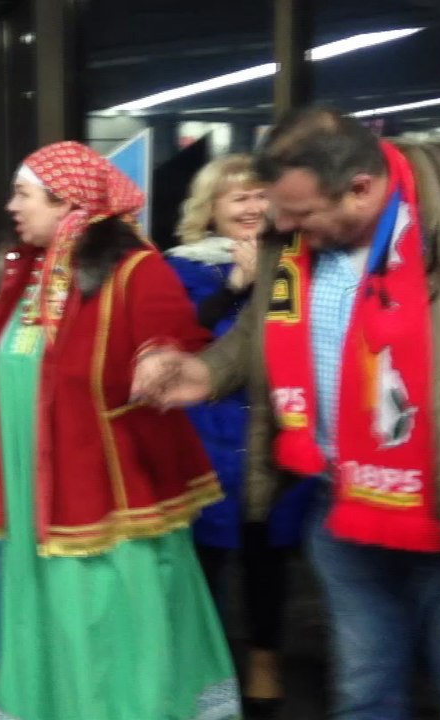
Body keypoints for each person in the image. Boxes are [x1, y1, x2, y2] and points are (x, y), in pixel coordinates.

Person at [133, 106, 440, 719]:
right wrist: (205, 372)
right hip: (342, 504)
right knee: (363, 690)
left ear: (360, 189)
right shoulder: (293, 229)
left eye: (300, 216)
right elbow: (261, 326)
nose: (283, 227)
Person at [0, 141, 239, 720]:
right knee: (53, 617)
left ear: (65, 199)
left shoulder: (134, 268)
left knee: (111, 622)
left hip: (108, 495)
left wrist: (158, 358)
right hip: (38, 495)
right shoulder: (28, 275)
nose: (10, 206)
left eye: (22, 194)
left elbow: (175, 337)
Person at [165, 154, 316, 713]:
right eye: (238, 199)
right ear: (211, 210)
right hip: (202, 435)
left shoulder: (302, 260)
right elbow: (182, 337)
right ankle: (202, 666)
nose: (253, 207)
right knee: (202, 559)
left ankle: (264, 663)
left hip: (272, 432)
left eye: (260, 196)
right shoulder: (178, 266)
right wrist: (236, 285)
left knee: (267, 556)